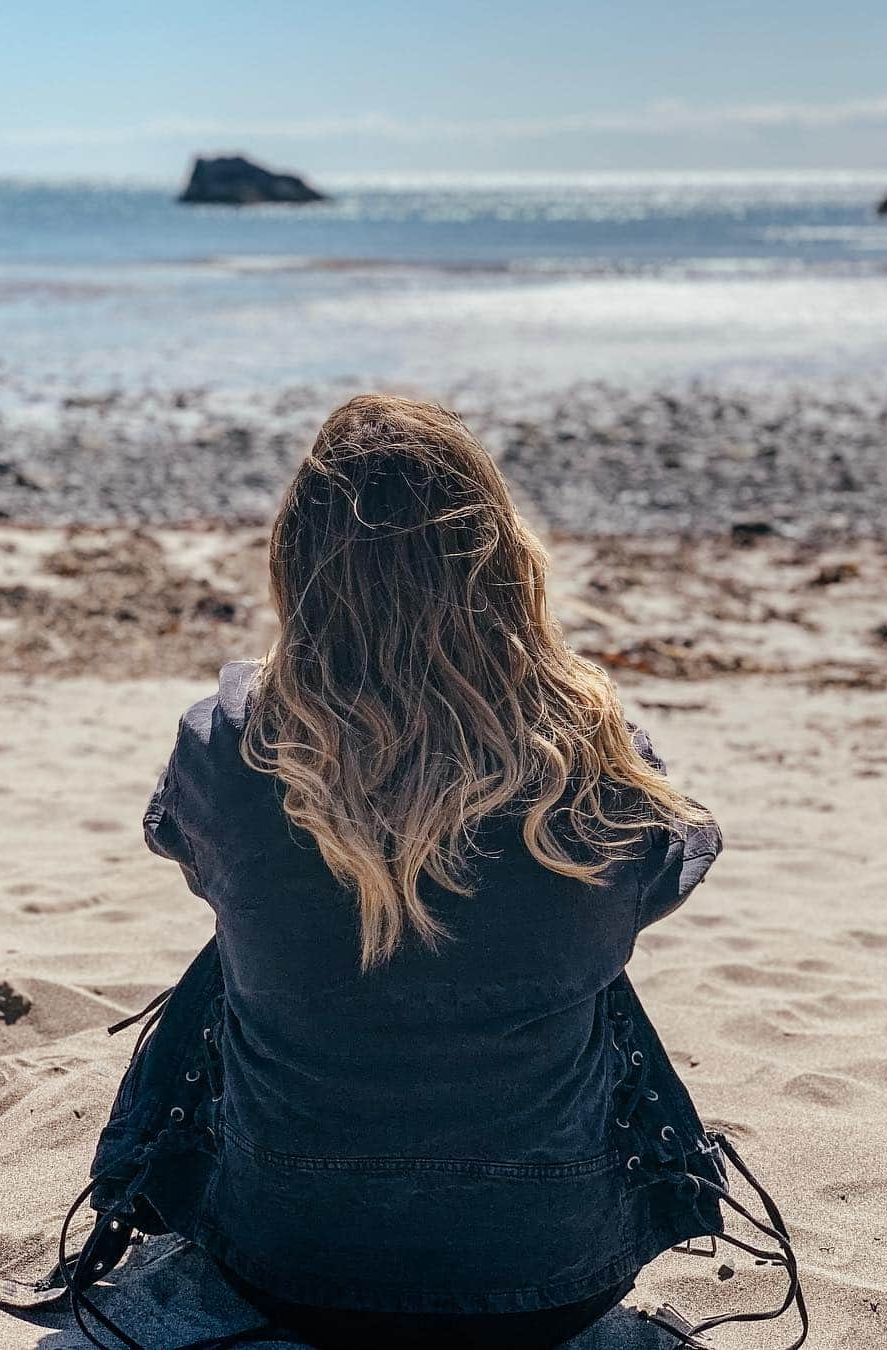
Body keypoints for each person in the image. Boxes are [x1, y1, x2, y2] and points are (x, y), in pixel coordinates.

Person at [51, 395, 806, 1350]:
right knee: (579, 970)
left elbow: (186, 849)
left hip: (286, 1265)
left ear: (298, 566)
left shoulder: (231, 743)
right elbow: (653, 885)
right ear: (500, 562)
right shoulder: (595, 755)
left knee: (251, 937)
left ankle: (146, 1191)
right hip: (552, 1276)